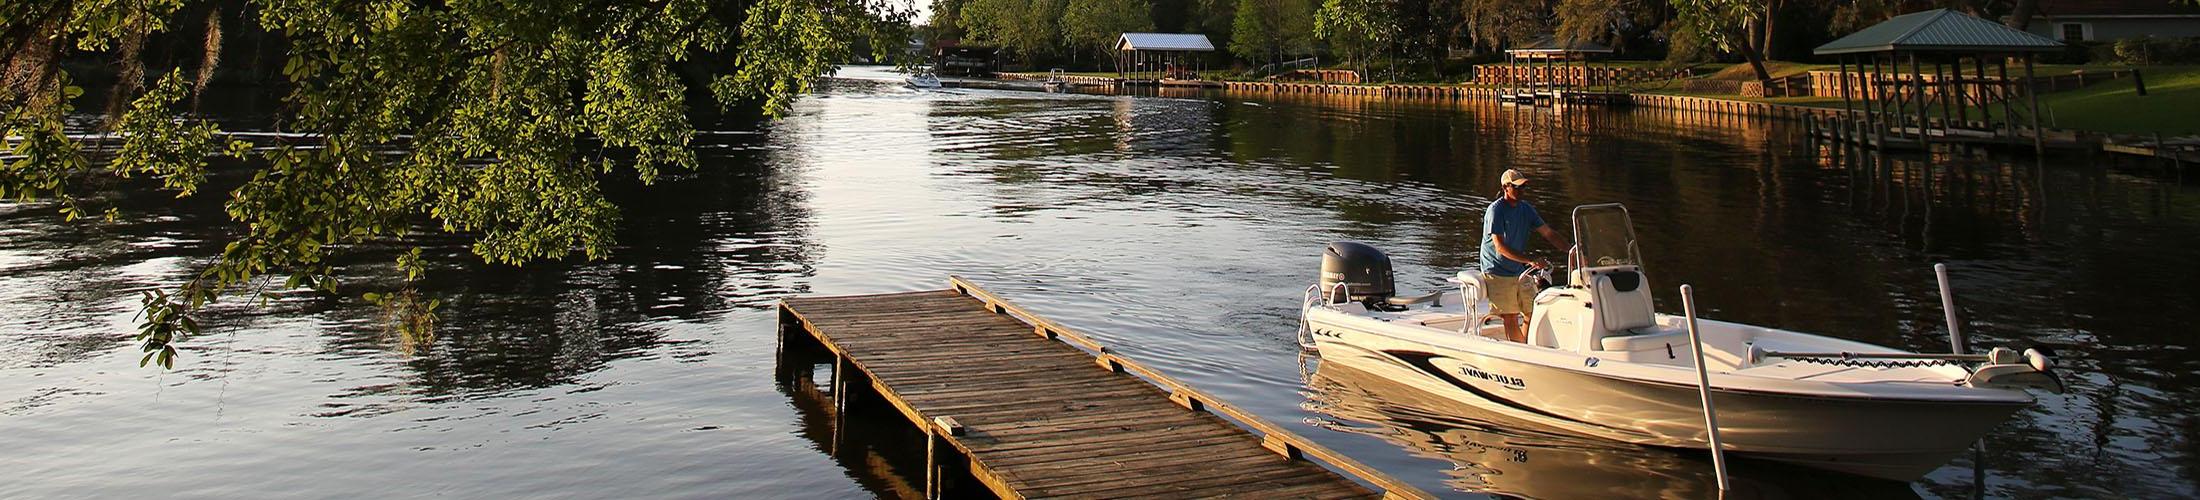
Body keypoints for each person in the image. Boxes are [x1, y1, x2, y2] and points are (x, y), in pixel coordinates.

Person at [1480, 169, 1569, 342]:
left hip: (1517, 269)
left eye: (1524, 187)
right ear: (1506, 187)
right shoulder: (1495, 211)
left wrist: (1571, 250)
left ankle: (1524, 347)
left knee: (1533, 310)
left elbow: (1548, 233)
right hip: (1496, 269)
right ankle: (1519, 351)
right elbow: (1500, 247)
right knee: (1511, 316)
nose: (1521, 191)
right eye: (1517, 187)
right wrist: (1530, 260)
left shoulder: (1526, 209)